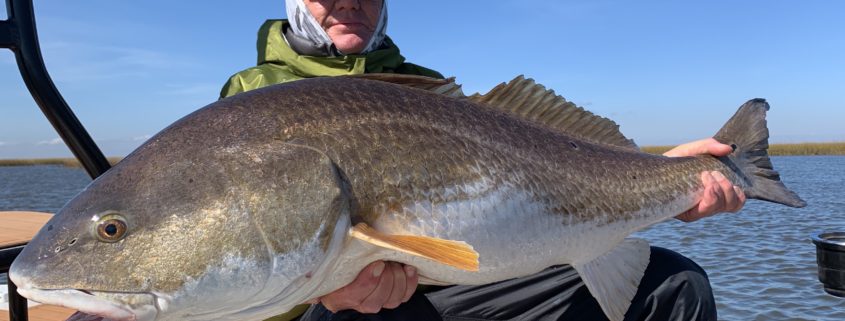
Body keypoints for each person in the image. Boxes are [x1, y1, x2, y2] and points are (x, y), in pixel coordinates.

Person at [220, 1, 746, 320]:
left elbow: (533, 167)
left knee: (677, 287)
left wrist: (663, 174)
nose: (351, 2)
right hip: (334, 310)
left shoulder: (424, 85)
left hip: (461, 284)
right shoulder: (249, 95)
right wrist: (327, 295)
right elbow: (235, 271)